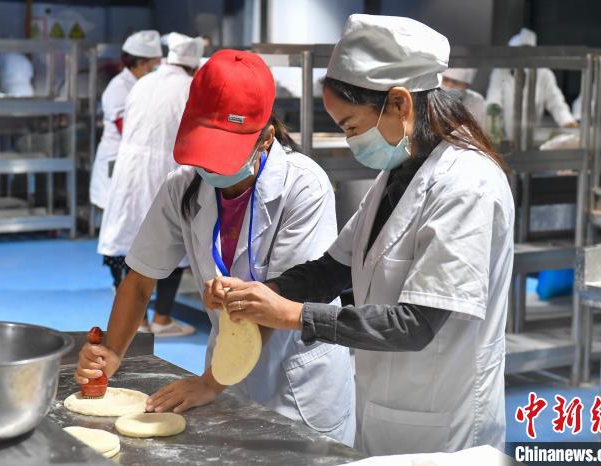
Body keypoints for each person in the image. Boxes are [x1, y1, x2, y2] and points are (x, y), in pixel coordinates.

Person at [205, 14, 514, 455]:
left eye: (351, 126)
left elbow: (416, 324)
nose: (350, 140)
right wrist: (259, 293)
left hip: (446, 420)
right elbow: (334, 269)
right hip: (385, 405)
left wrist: (294, 316)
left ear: (401, 104)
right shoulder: (401, 173)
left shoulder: (468, 185)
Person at [76, 50, 356, 445]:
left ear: (266, 138)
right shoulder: (184, 186)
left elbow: (284, 299)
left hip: (296, 378)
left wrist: (211, 381)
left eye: (225, 155)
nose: (213, 169)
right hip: (228, 362)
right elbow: (140, 280)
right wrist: (113, 352)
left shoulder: (304, 187)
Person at [97, 33, 204, 337]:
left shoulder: (144, 82)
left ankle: (136, 322)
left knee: (126, 239)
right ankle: (161, 319)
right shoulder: (190, 87)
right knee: (172, 244)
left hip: (130, 170)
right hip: (167, 169)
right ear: (194, 65)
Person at [89, 30, 163, 213]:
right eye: (156, 65)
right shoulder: (119, 88)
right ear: (142, 63)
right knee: (117, 220)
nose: (159, 69)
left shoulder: (144, 84)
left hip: (134, 164)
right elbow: (128, 129)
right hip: (117, 162)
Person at [486, 27, 577, 140]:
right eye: (518, 52)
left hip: (531, 139)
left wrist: (568, 123)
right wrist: (493, 133)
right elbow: (493, 103)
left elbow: (556, 102)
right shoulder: (500, 72)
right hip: (504, 138)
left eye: (526, 52)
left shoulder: (544, 74)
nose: (522, 57)